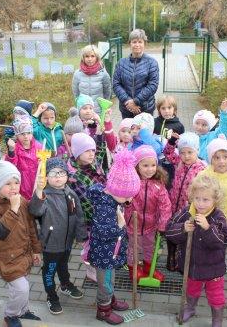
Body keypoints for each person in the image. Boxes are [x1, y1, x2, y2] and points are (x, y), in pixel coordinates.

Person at [166, 175, 227, 327]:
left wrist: (208, 228)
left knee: (216, 295)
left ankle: (217, 319)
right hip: (192, 266)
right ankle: (190, 308)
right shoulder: (186, 212)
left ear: (215, 200)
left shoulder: (218, 217)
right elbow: (169, 231)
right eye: (197, 198)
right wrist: (182, 229)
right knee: (191, 289)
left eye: (206, 200)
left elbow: (224, 241)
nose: (200, 204)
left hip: (213, 268)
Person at [0, 161, 42, 327]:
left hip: (22, 252)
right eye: (7, 183)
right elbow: (0, 231)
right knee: (21, 288)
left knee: (20, 287)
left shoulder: (20, 200)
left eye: (16, 182)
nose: (14, 187)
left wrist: (36, 250)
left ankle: (23, 310)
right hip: (6, 256)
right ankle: (10, 315)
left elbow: (31, 226)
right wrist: (13, 209)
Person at [86, 150, 141, 324]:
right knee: (106, 283)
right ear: (116, 189)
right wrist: (120, 227)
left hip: (111, 252)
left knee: (110, 279)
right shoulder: (105, 208)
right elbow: (101, 232)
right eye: (127, 195)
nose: (130, 199)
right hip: (104, 254)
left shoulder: (114, 200)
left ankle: (111, 299)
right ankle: (103, 309)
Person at [29, 157, 87, 315]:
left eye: (61, 173)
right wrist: (39, 191)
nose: (58, 176)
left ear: (67, 175)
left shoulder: (71, 194)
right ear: (46, 177)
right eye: (53, 173)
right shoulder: (45, 195)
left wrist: (81, 236)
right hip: (51, 244)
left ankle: (65, 284)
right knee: (50, 270)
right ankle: (51, 296)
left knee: (63, 265)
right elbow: (35, 211)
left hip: (67, 242)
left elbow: (79, 216)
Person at [124, 145, 172, 282]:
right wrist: (126, 203)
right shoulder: (132, 182)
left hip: (151, 225)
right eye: (145, 165)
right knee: (133, 249)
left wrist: (163, 225)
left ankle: (149, 268)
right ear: (137, 166)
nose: (150, 169)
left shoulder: (159, 184)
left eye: (153, 165)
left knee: (150, 248)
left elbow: (165, 206)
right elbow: (123, 199)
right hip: (133, 224)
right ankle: (133, 270)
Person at [163, 132, 206, 271]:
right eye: (182, 152)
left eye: (190, 152)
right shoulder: (179, 163)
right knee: (172, 232)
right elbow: (167, 153)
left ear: (197, 151)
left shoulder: (202, 169)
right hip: (173, 205)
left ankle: (183, 263)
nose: (186, 156)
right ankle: (171, 257)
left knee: (185, 235)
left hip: (187, 209)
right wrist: (172, 140)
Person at [196, 138, 227, 239]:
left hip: (222, 227)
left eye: (225, 157)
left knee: (217, 253)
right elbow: (195, 199)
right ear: (211, 160)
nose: (221, 161)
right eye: (217, 158)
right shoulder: (203, 175)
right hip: (202, 223)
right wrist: (193, 217)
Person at [113, 29, 159, 118]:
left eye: (140, 42)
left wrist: (135, 101)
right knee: (127, 132)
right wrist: (127, 101)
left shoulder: (152, 63)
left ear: (144, 44)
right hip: (126, 109)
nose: (137, 45)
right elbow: (116, 84)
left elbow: (153, 85)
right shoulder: (121, 63)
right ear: (130, 43)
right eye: (134, 42)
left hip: (145, 109)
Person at [5, 116, 42, 201]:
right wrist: (11, 151)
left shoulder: (39, 146)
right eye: (22, 134)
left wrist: (43, 162)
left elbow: (44, 165)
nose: (26, 136)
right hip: (21, 188)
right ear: (17, 135)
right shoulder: (15, 148)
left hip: (36, 185)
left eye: (28, 133)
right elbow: (10, 166)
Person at [72, 44, 112, 113]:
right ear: (83, 58)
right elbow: (76, 94)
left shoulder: (103, 74)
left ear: (97, 57)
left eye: (92, 56)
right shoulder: (77, 74)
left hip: (98, 111)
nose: (90, 59)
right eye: (87, 56)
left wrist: (104, 108)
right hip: (83, 112)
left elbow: (107, 92)